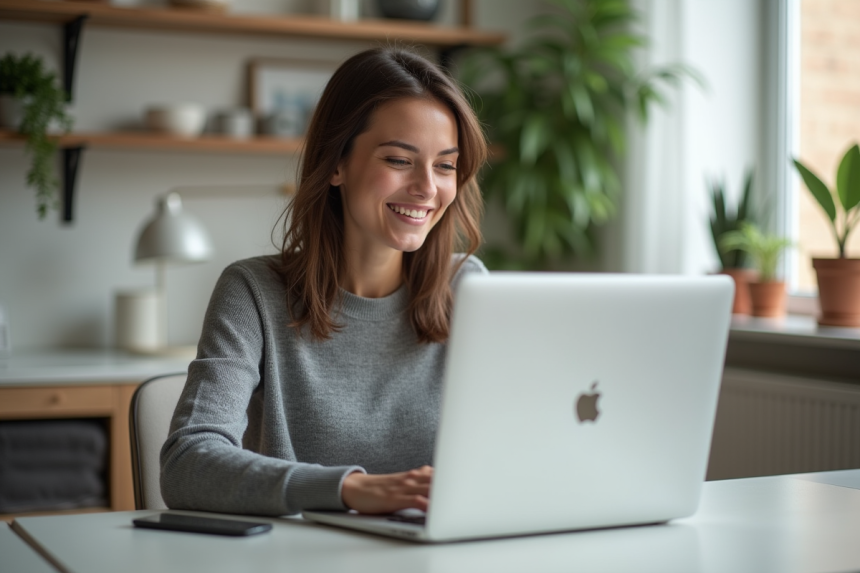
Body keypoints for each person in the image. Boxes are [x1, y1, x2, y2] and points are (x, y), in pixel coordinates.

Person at [160, 47, 489, 517]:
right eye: (399, 159)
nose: (427, 188)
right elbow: (186, 464)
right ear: (337, 164)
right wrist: (348, 489)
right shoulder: (252, 292)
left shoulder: (468, 287)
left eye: (445, 165)